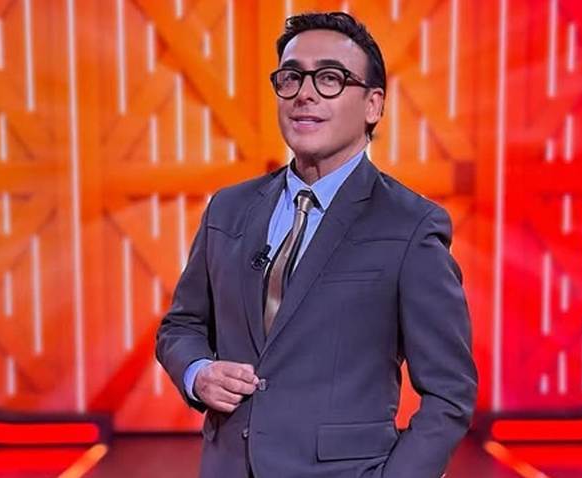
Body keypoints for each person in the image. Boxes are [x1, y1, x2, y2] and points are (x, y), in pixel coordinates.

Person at [156, 11, 477, 478]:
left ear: (373, 105)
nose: (304, 93)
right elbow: (181, 326)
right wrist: (196, 372)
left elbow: (450, 393)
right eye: (291, 78)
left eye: (330, 78)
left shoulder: (411, 225)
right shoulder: (228, 209)